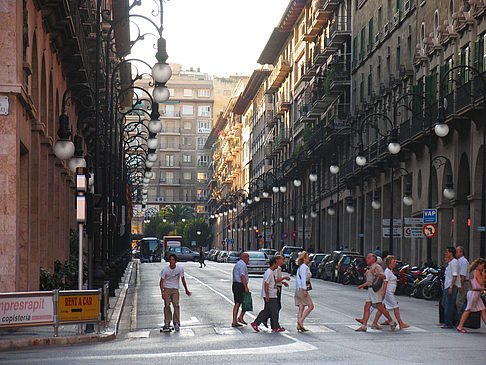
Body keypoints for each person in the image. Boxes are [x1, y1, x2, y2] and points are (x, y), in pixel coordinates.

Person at [355, 253, 396, 332]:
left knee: (380, 307)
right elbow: (370, 281)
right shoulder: (370, 267)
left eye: (368, 258)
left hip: (376, 290)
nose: (367, 259)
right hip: (370, 289)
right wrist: (362, 285)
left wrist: (375, 273)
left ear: (373, 259)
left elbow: (383, 276)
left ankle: (391, 321)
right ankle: (364, 326)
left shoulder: (377, 267)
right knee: (367, 307)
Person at [373, 255, 409, 330]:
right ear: (389, 263)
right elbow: (385, 283)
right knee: (396, 307)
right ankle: (401, 323)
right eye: (393, 262)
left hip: (390, 292)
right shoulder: (387, 272)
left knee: (382, 308)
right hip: (388, 293)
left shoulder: (390, 271)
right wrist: (383, 294)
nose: (395, 263)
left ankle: (375, 322)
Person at [251, 257, 285, 332]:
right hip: (271, 295)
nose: (277, 265)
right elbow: (266, 284)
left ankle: (256, 323)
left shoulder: (271, 272)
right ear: (274, 264)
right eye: (276, 264)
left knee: (268, 311)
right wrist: (267, 295)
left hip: (272, 293)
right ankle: (274, 326)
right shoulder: (269, 272)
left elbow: (271, 283)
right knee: (274, 310)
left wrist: (276, 287)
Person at [159, 254, 191, 332]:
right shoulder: (165, 270)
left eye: (173, 260)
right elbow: (161, 282)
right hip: (167, 288)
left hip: (175, 289)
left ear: (175, 261)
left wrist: (186, 290)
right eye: (170, 260)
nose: (171, 261)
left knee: (176, 304)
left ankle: (176, 322)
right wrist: (162, 292)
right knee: (167, 305)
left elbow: (183, 280)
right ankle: (167, 321)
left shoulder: (180, 269)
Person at [456, 258, 486, 333]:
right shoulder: (476, 272)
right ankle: (460, 326)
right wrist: (484, 275)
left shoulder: (474, 271)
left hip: (475, 293)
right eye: (482, 265)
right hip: (474, 293)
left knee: (483, 309)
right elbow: (481, 282)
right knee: (468, 309)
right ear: (479, 265)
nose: (483, 267)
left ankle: (460, 326)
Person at [263, 255, 290, 328]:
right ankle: (268, 321)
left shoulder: (279, 268)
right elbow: (274, 280)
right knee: (275, 307)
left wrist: (282, 282)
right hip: (274, 289)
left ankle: (271, 322)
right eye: (282, 259)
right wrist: (283, 278)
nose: (283, 261)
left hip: (277, 287)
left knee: (274, 307)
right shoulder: (275, 269)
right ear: (277, 260)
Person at [295, 251, 314, 332]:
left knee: (301, 307)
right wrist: (305, 289)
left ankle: (299, 325)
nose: (309, 257)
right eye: (307, 256)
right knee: (311, 306)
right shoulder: (304, 267)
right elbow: (303, 279)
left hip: (298, 289)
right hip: (302, 289)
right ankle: (301, 321)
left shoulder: (300, 267)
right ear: (304, 258)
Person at [442, 247, 460, 329]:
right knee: (446, 303)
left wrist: (451, 287)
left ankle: (448, 322)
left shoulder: (454, 262)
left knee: (448, 304)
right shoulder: (451, 263)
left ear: (451, 253)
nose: (446, 253)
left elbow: (454, 275)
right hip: (447, 285)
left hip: (451, 286)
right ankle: (456, 320)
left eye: (447, 252)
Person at [232, 252, 249, 327]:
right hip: (239, 285)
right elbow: (242, 276)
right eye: (248, 258)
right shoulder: (242, 264)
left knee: (241, 302)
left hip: (236, 284)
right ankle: (235, 320)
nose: (248, 260)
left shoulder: (238, 263)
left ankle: (240, 317)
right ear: (244, 258)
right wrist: (245, 287)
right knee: (239, 303)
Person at [455, 246, 469, 315]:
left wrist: (460, 285)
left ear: (461, 252)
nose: (456, 253)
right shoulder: (457, 261)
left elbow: (463, 275)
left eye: (457, 252)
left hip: (463, 283)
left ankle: (461, 317)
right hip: (458, 283)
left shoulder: (464, 261)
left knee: (459, 301)